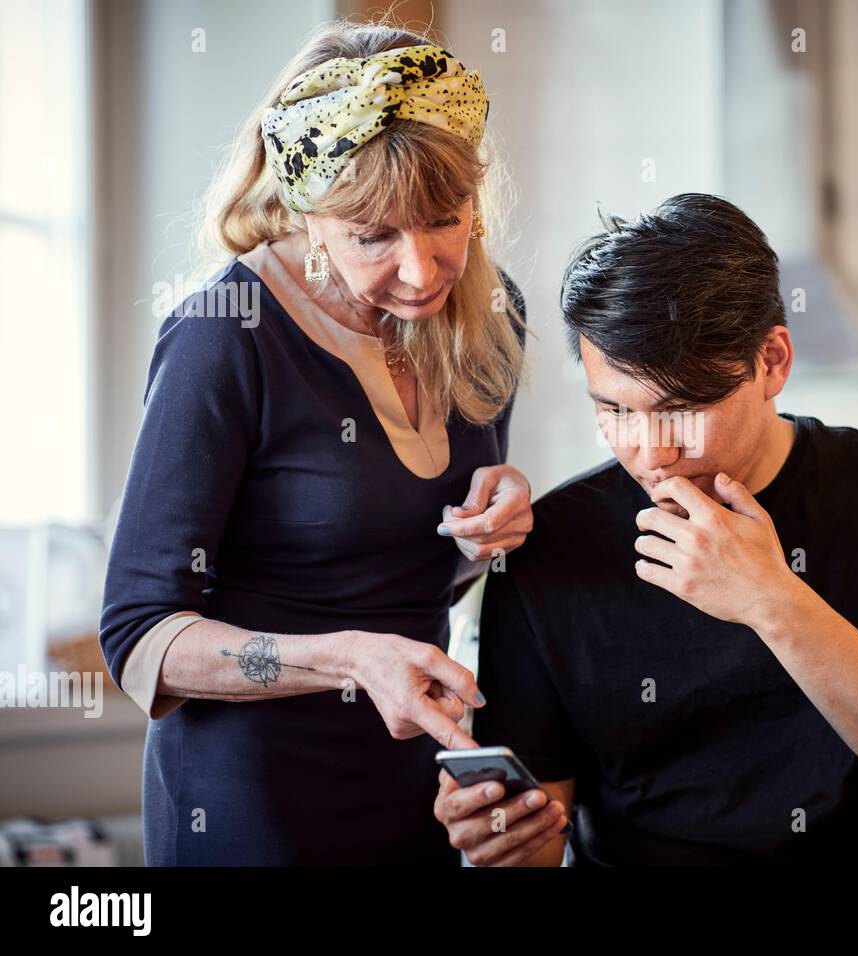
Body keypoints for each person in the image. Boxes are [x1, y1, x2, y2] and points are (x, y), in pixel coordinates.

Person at [435, 193, 858, 866]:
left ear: (773, 361)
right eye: (614, 410)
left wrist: (772, 602)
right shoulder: (551, 546)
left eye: (681, 410)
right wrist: (497, 841)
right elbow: (536, 837)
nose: (650, 452)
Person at [99, 21, 531, 865]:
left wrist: (494, 525)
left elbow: (418, 564)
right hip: (248, 801)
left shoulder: (488, 315)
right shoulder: (226, 336)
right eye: (373, 234)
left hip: (421, 784)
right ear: (307, 213)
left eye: (446, 218)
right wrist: (345, 659)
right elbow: (140, 637)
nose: (422, 268)